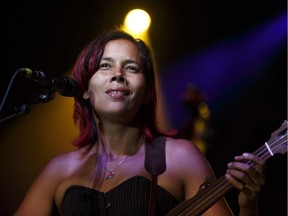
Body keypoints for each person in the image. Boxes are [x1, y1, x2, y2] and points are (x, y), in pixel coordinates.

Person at [14, 28, 266, 216]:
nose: (118, 75)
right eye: (105, 65)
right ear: (85, 89)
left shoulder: (179, 156)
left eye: (131, 68)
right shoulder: (60, 170)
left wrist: (248, 206)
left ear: (146, 93)